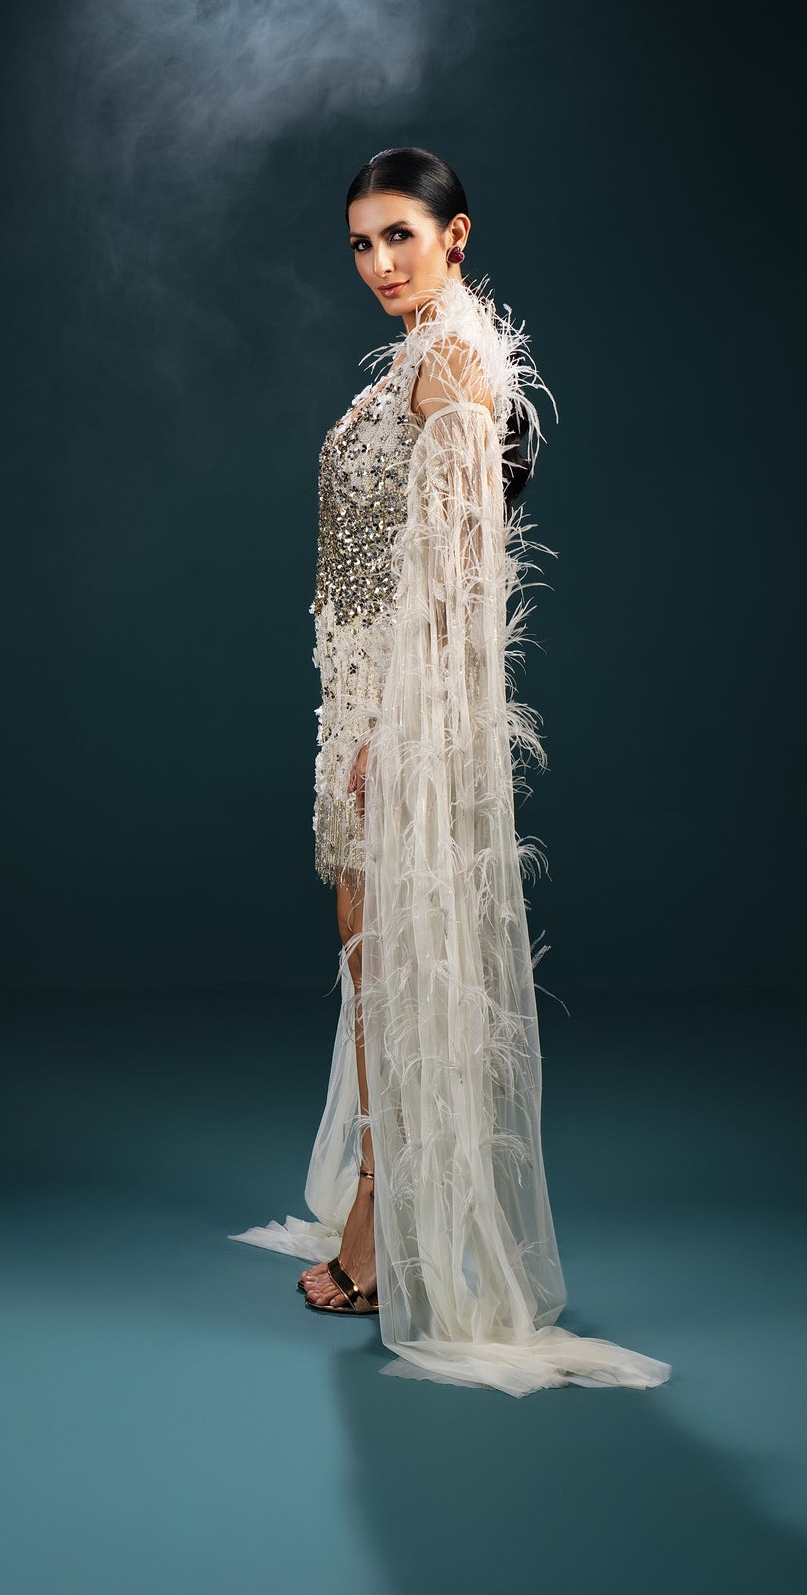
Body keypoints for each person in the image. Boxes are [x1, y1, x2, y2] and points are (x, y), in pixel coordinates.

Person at [231, 147, 671, 1397]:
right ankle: (383, 1202)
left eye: (400, 237)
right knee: (367, 960)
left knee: (388, 960)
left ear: (456, 235)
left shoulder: (456, 364)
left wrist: (394, 730)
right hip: (360, 694)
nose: (378, 263)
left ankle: (384, 1231)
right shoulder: (418, 356)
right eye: (361, 244)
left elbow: (465, 574)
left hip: (397, 709)